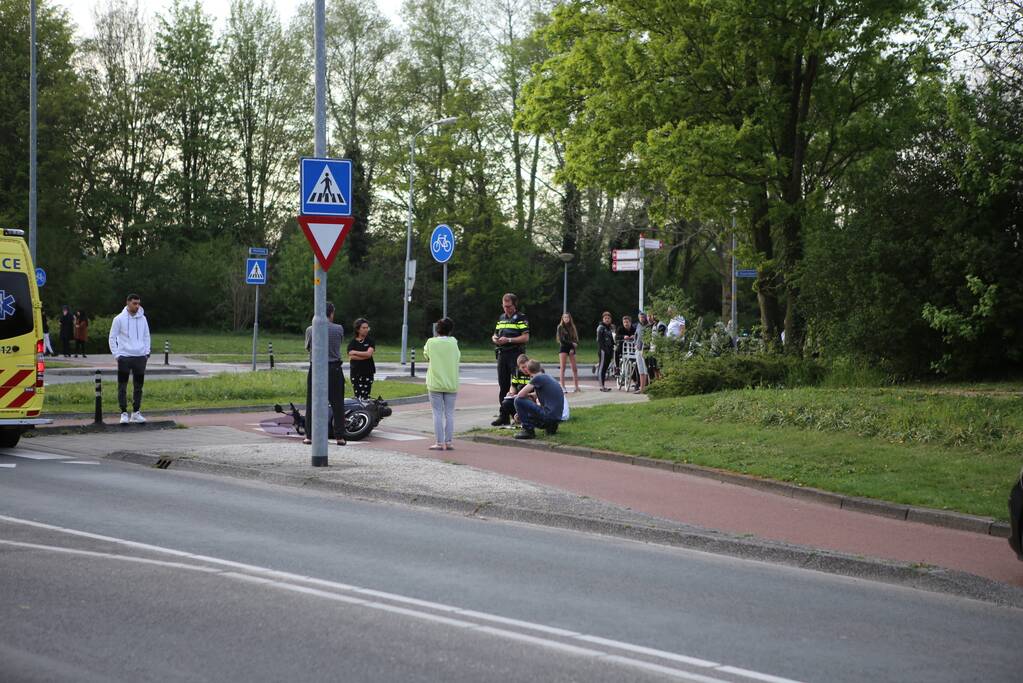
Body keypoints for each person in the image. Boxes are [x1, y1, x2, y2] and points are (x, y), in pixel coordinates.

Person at [303, 302, 346, 446]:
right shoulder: (338, 328)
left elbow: (308, 348)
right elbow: (338, 344)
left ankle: (309, 435)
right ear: (331, 313)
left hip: (316, 368)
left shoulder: (310, 329)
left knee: (311, 402)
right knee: (337, 403)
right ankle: (339, 436)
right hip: (334, 368)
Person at [108, 293, 151, 424]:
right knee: (122, 386)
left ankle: (136, 413)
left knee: (138, 387)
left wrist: (146, 353)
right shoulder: (118, 319)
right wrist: (117, 355)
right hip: (124, 357)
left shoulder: (143, 319)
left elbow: (146, 336)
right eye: (134, 303)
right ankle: (123, 413)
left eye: (138, 303)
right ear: (127, 302)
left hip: (140, 357)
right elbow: (112, 337)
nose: (137, 306)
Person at [490, 293, 529, 426]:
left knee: (516, 383)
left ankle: (517, 415)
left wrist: (509, 340)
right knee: (503, 385)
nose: (506, 309)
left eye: (509, 306)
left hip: (515, 354)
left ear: (514, 305)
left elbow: (525, 337)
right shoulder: (501, 318)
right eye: (504, 306)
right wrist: (495, 339)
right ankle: (504, 415)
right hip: (502, 354)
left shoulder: (521, 318)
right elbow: (495, 334)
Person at [423, 317, 460, 451]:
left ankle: (439, 442)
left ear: (437, 329)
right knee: (449, 413)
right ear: (450, 330)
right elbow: (458, 356)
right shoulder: (454, 342)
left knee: (437, 413)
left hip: (435, 382)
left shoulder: (431, 342)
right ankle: (449, 442)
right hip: (451, 382)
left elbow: (426, 356)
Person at [513, 360, 565, 440]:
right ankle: (551, 427)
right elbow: (538, 395)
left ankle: (528, 430)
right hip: (556, 417)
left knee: (518, 400)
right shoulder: (547, 377)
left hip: (548, 415)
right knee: (529, 414)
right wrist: (530, 396)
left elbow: (520, 395)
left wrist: (521, 412)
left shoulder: (537, 378)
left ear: (528, 370)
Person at [496, 353, 531, 427]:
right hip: (518, 396)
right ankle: (505, 418)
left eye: (526, 366)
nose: (525, 369)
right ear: (519, 367)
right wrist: (511, 393)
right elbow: (513, 386)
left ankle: (522, 419)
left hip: (530, 397)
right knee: (506, 402)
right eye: (523, 367)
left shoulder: (533, 372)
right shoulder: (516, 373)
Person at [347, 318, 376, 399]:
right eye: (363, 328)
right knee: (358, 395)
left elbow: (369, 354)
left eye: (367, 328)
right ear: (358, 329)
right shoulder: (352, 342)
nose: (366, 330)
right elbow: (350, 355)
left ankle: (366, 410)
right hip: (355, 372)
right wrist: (364, 355)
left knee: (366, 395)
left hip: (368, 371)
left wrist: (355, 352)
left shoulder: (370, 341)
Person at [556, 312, 581, 393]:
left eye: (567, 317)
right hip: (563, 348)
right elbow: (562, 340)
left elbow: (576, 340)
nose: (566, 319)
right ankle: (562, 387)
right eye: (564, 317)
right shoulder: (560, 327)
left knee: (574, 368)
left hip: (571, 349)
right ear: (562, 319)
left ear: (570, 318)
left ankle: (576, 387)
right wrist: (571, 344)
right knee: (563, 368)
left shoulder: (572, 327)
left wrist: (573, 348)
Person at [596, 311, 615, 392]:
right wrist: (604, 349)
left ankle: (604, 385)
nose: (607, 320)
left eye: (608, 318)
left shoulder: (610, 328)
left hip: (610, 349)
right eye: (605, 318)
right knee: (602, 367)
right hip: (603, 350)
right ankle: (602, 386)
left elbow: (612, 339)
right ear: (603, 319)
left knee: (606, 367)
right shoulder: (600, 327)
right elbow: (599, 340)